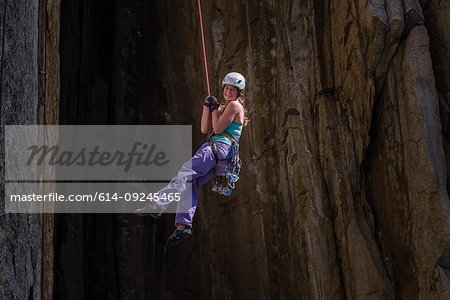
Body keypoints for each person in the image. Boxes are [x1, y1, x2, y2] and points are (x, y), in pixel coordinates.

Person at [136, 72, 248, 246]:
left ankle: (156, 205)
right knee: (190, 183)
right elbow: (205, 128)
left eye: (233, 90)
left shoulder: (234, 106)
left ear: (239, 93)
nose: (228, 92)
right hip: (223, 158)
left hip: (217, 148)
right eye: (226, 88)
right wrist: (207, 107)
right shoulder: (224, 108)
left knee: (185, 174)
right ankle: (183, 225)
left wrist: (215, 112)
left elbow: (217, 130)